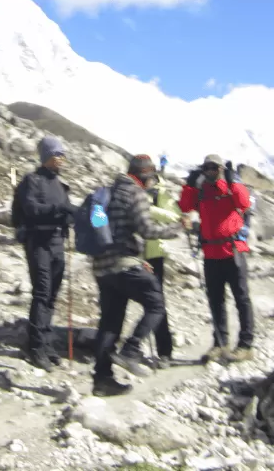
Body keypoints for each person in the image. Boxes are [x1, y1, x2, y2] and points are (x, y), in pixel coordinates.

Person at [91, 154, 180, 396]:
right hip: (124, 263)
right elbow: (146, 229)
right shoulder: (136, 193)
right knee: (156, 304)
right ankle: (131, 350)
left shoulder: (109, 192)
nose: (152, 183)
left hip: (101, 266)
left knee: (109, 323)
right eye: (151, 178)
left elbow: (113, 227)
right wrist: (178, 228)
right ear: (145, 175)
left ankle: (102, 379)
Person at [179, 154, 255, 363]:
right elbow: (185, 207)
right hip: (211, 252)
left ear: (221, 168)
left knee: (242, 299)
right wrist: (190, 185)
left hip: (233, 250)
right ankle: (220, 343)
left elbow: (244, 203)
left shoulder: (230, 186)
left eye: (215, 168)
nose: (211, 171)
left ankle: (246, 345)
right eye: (207, 168)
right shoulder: (201, 189)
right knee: (216, 300)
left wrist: (232, 180)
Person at [16, 136, 78, 371]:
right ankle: (35, 347)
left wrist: (69, 215)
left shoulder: (61, 185)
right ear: (46, 157)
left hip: (57, 243)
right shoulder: (32, 181)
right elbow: (31, 209)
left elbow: (65, 212)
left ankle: (46, 342)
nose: (61, 159)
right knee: (42, 293)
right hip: (38, 242)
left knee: (52, 295)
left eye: (63, 154)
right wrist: (60, 209)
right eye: (57, 155)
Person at [144, 183, 182, 369]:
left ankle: (164, 351)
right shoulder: (133, 187)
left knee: (156, 302)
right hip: (133, 252)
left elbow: (175, 215)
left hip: (153, 253)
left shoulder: (160, 192)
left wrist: (148, 209)